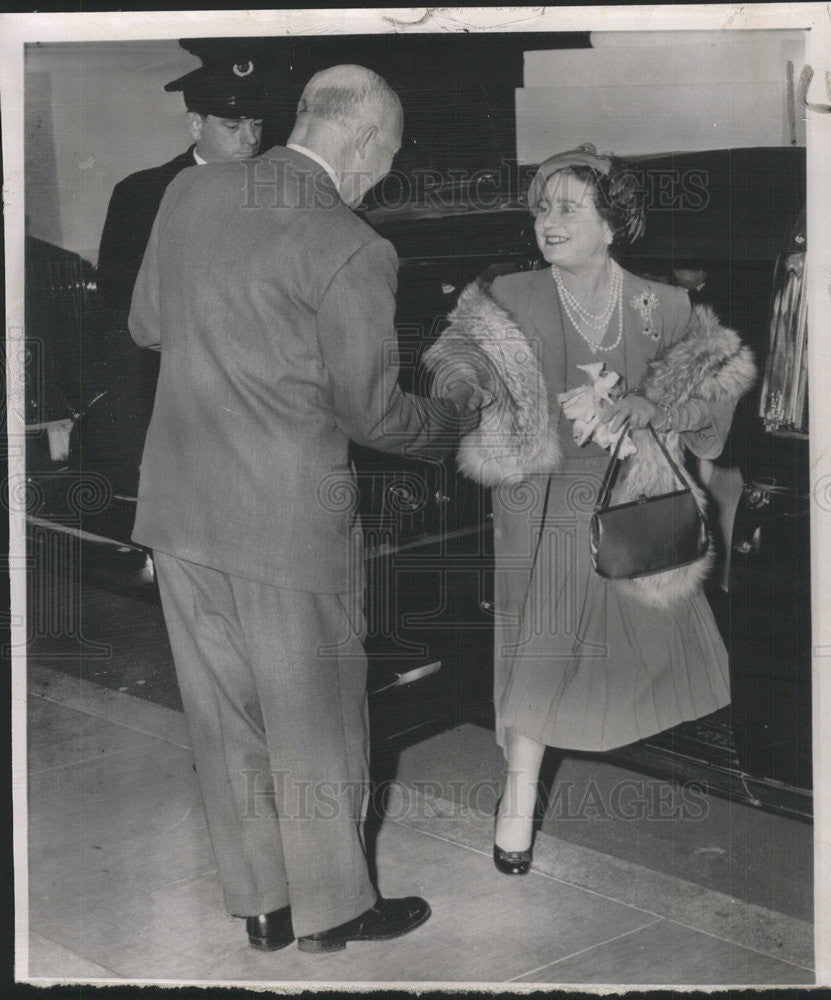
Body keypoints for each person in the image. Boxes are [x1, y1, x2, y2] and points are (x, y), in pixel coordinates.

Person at [128, 65, 485, 952]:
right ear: (362, 141)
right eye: (387, 158)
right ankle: (336, 910)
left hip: (179, 507)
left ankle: (261, 907)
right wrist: (455, 422)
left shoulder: (189, 190)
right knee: (318, 719)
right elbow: (372, 414)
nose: (380, 177)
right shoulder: (350, 243)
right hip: (285, 522)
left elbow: (147, 326)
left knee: (226, 719)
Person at [438, 145, 755, 876]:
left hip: (629, 496)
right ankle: (517, 799)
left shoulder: (663, 304)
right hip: (540, 498)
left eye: (568, 207)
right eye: (543, 207)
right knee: (542, 642)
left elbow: (716, 390)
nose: (548, 221)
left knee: (621, 653)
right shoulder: (506, 297)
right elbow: (458, 377)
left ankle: (539, 780)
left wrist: (639, 408)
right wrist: (537, 403)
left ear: (612, 224)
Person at [87, 44, 276, 498]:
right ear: (196, 124)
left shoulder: (280, 189)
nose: (249, 139)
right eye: (232, 125)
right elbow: (121, 309)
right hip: (177, 397)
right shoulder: (142, 195)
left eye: (257, 123)